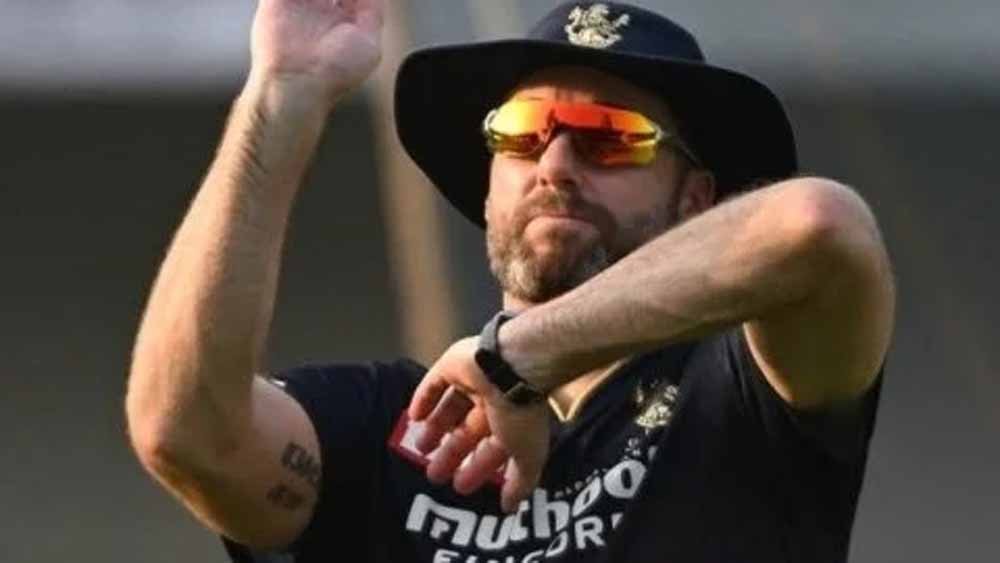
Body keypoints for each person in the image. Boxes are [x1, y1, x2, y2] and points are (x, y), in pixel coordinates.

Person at [124, 1, 895, 562]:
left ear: (695, 200)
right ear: (489, 184)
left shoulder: (744, 389)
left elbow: (819, 227)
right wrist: (282, 92)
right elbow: (185, 432)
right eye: (521, 134)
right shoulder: (390, 424)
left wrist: (515, 359)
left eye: (610, 138)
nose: (554, 165)